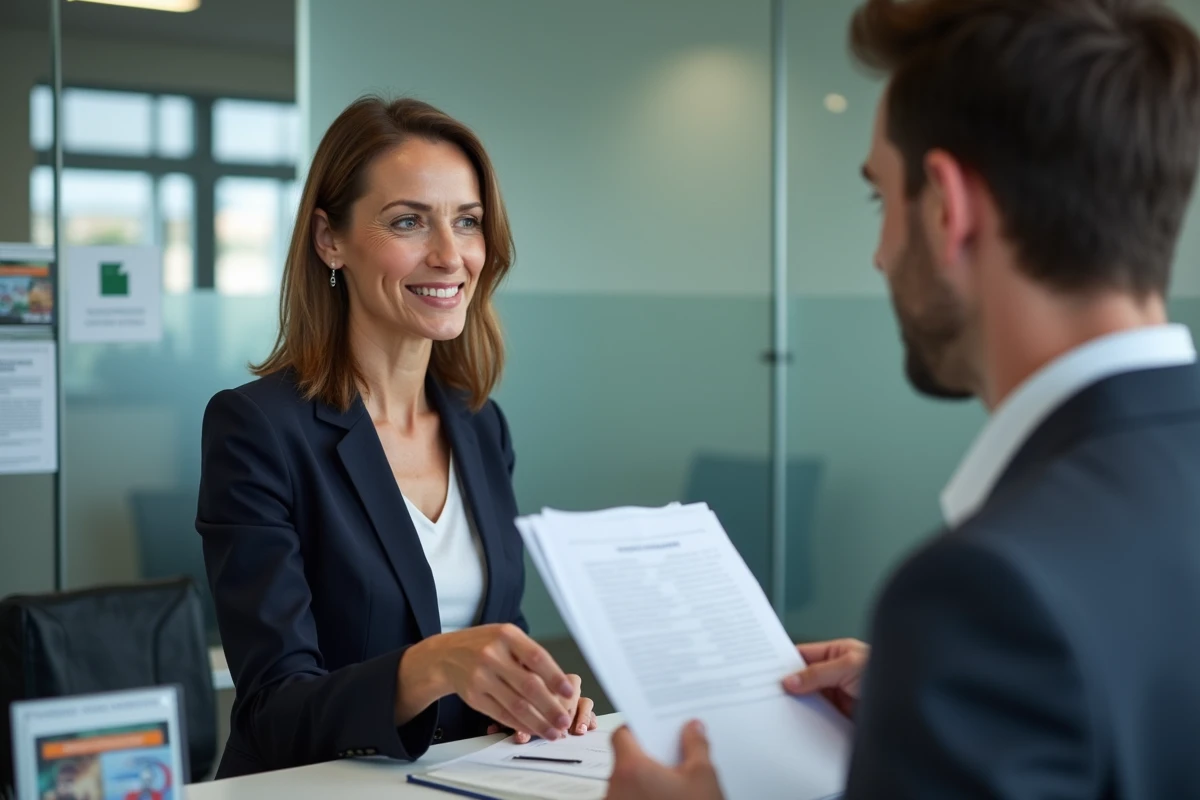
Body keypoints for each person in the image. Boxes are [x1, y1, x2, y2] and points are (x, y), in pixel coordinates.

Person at [607, 0, 1200, 797]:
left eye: (880, 199)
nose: (882, 256)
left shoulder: (985, 592)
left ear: (949, 207)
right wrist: (936, 709)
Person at [196, 97, 596, 779]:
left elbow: (499, 623)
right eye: (409, 221)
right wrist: (435, 665)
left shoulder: (478, 424)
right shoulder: (258, 428)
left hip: (463, 781)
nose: (448, 255)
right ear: (330, 240)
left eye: (466, 223)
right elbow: (272, 710)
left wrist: (527, 693)